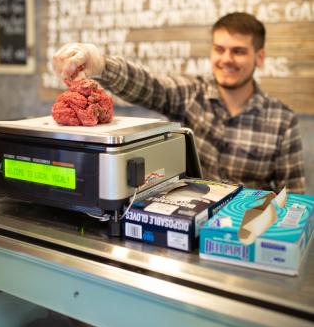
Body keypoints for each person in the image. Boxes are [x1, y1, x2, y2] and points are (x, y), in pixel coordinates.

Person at [53, 12, 305, 193]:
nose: (226, 59)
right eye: (219, 49)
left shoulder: (282, 121)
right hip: (185, 227)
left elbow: (293, 201)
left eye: (238, 51)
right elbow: (149, 86)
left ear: (259, 58)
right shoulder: (190, 94)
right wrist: (102, 65)